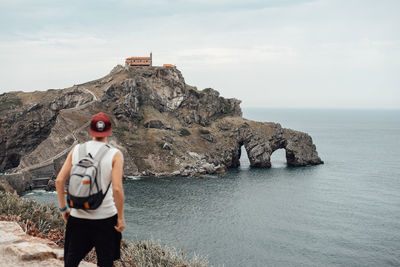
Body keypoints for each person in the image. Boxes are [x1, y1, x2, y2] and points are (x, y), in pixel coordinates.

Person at [56, 112, 125, 267]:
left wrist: (63, 208)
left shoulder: (77, 150)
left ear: (90, 130)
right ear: (109, 131)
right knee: (105, 262)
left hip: (77, 218)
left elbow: (60, 180)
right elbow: (117, 189)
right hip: (106, 219)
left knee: (71, 261)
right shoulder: (115, 154)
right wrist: (120, 218)